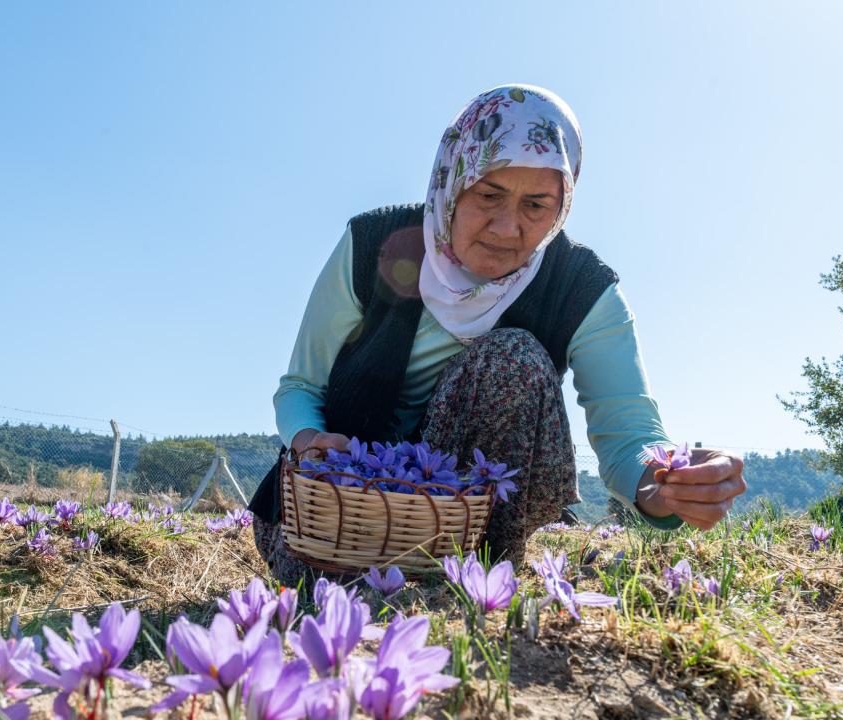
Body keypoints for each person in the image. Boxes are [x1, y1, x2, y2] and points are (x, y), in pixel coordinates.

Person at [247, 84, 746, 583]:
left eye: (536, 205)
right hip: (335, 517)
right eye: (488, 194)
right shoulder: (373, 244)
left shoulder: (581, 289)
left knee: (515, 357)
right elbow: (300, 388)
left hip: (470, 531)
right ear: (452, 181)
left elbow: (628, 430)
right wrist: (310, 441)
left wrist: (664, 483)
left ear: (563, 203)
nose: (507, 229)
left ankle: (483, 567)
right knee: (339, 588)